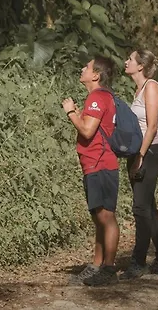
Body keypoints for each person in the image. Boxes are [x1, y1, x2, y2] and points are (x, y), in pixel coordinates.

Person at [62, 55, 120, 286]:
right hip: (95, 164)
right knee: (99, 217)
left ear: (95, 75)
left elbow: (87, 131)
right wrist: (79, 115)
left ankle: (109, 268)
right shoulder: (100, 97)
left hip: (101, 164)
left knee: (106, 216)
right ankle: (96, 265)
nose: (82, 69)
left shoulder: (97, 96)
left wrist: (70, 113)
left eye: (86, 67)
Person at [120, 49, 158, 279]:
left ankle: (138, 262)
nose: (126, 62)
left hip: (149, 153)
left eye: (130, 59)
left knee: (140, 208)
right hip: (138, 152)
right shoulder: (139, 89)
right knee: (148, 208)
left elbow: (151, 127)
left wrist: (140, 156)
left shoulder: (151, 87)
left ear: (140, 66)